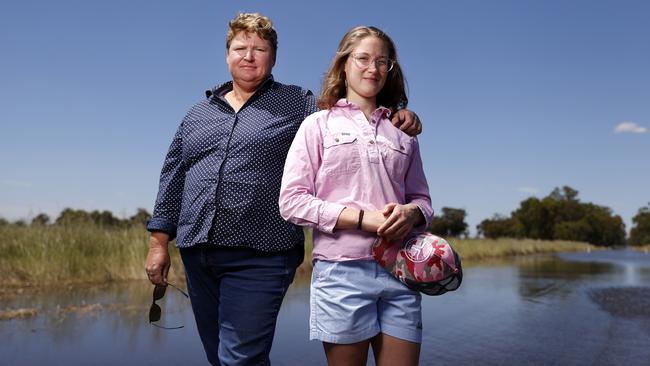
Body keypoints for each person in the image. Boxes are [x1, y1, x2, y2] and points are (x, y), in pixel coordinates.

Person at [144, 13, 422, 366]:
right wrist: (159, 243)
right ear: (227, 54)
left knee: (241, 358)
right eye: (240, 48)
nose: (249, 55)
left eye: (259, 49)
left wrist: (399, 113)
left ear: (273, 57)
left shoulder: (298, 103)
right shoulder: (198, 113)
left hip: (262, 251)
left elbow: (350, 115)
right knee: (219, 356)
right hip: (197, 250)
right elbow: (173, 176)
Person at [279, 26, 433, 366]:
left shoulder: (404, 132)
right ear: (343, 65)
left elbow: (424, 201)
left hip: (401, 271)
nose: (373, 69)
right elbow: (291, 201)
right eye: (363, 58)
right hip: (341, 273)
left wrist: (411, 214)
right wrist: (364, 219)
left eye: (382, 62)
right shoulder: (317, 125)